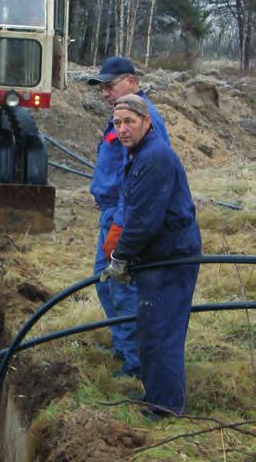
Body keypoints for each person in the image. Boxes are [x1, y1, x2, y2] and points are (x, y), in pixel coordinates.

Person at [101, 94, 201, 418]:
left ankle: (166, 408)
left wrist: (120, 258)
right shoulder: (139, 154)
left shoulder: (154, 157)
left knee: (161, 334)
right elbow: (133, 212)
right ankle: (157, 396)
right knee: (151, 331)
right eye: (117, 123)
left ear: (147, 122)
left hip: (171, 259)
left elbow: (144, 222)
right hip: (158, 258)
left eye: (129, 121)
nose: (123, 128)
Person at [87, 56, 170, 378]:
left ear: (132, 82)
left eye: (111, 85)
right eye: (103, 88)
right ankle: (124, 348)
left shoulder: (144, 121)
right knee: (106, 283)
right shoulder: (122, 119)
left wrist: (122, 223)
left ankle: (135, 365)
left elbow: (143, 177)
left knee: (121, 286)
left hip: (124, 215)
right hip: (113, 212)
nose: (106, 93)